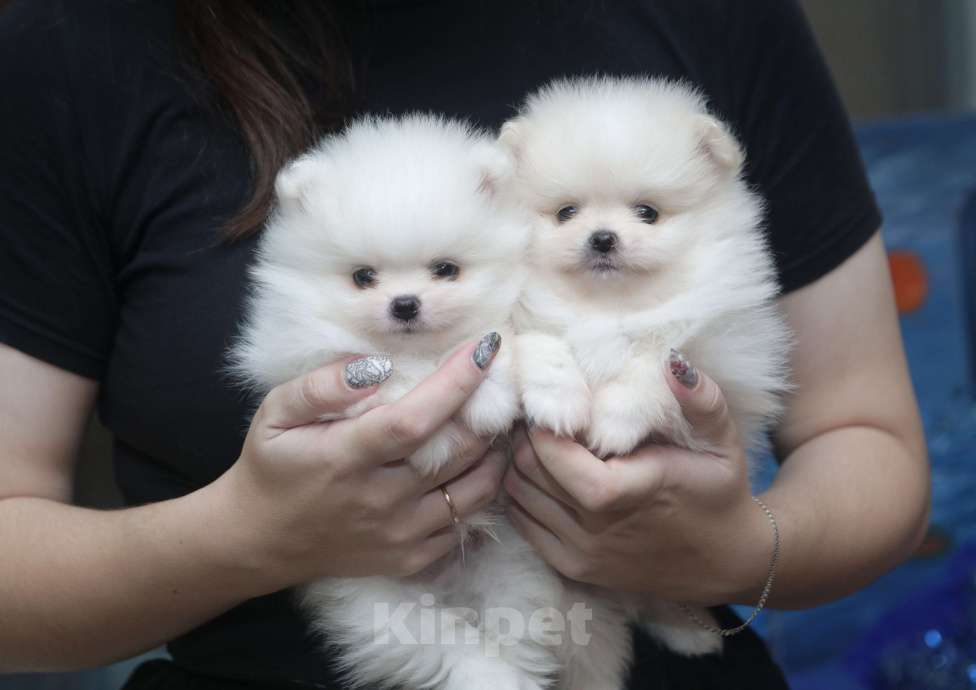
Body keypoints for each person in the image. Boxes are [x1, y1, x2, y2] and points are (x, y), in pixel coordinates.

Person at [0, 1, 929, 689]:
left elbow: (871, 442)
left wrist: (734, 548)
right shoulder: (75, 47)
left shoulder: (716, 19)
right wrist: (246, 537)